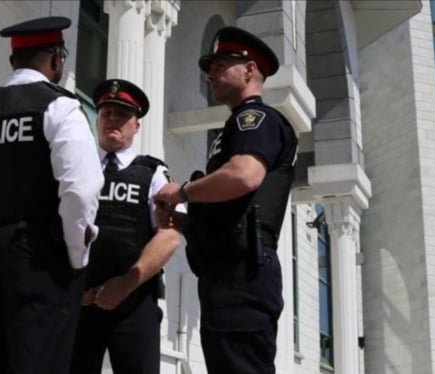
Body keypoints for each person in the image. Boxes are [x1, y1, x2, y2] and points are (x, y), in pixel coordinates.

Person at [0, 16, 104, 374]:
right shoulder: (61, 108)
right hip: (37, 257)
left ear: (12, 62)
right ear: (56, 59)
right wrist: (76, 256)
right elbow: (80, 191)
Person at [153, 26, 298, 374]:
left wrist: (183, 191)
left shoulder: (255, 119)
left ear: (249, 70)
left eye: (221, 65)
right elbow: (231, 208)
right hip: (227, 270)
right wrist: (187, 223)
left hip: (242, 271)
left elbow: (245, 175)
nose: (211, 74)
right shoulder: (236, 126)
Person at [70, 79, 181, 374]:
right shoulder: (76, 167)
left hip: (134, 302)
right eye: (106, 113)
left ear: (136, 126)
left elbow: (169, 236)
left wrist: (125, 284)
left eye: (122, 115)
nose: (112, 120)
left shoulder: (152, 171)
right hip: (79, 302)